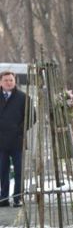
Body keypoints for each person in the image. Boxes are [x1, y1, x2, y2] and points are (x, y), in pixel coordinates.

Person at [0, 71, 28, 208]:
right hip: (1, 141)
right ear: (0, 82)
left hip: (17, 140)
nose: (9, 82)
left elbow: (32, 116)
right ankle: (3, 198)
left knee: (19, 171)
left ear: (15, 81)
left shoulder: (23, 97)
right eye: (6, 80)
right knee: (2, 171)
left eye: (11, 80)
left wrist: (20, 129)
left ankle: (18, 197)